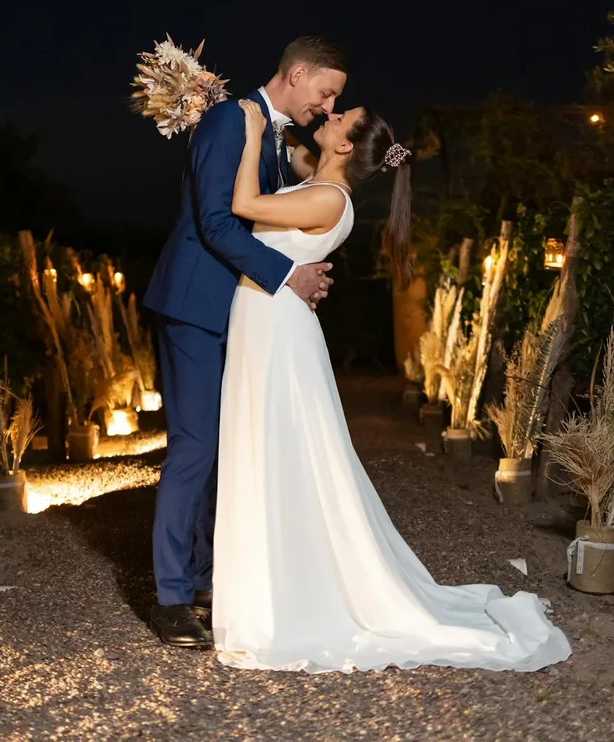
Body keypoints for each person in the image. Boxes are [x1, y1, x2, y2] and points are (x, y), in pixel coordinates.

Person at [209, 98, 573, 673]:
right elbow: (302, 156)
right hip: (268, 321)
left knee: (281, 452)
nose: (325, 119)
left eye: (336, 120)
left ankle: (286, 599)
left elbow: (243, 206)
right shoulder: (324, 182)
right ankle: (274, 584)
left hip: (275, 328)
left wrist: (250, 129)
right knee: (275, 451)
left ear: (348, 145)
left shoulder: (330, 198)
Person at [143, 36, 349, 648]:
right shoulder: (230, 119)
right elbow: (214, 222)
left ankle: (205, 580)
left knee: (222, 449)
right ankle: (172, 597)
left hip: (234, 313)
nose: (329, 103)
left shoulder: (276, 138)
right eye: (327, 91)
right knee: (195, 448)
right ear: (299, 72)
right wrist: (290, 275)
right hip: (194, 307)